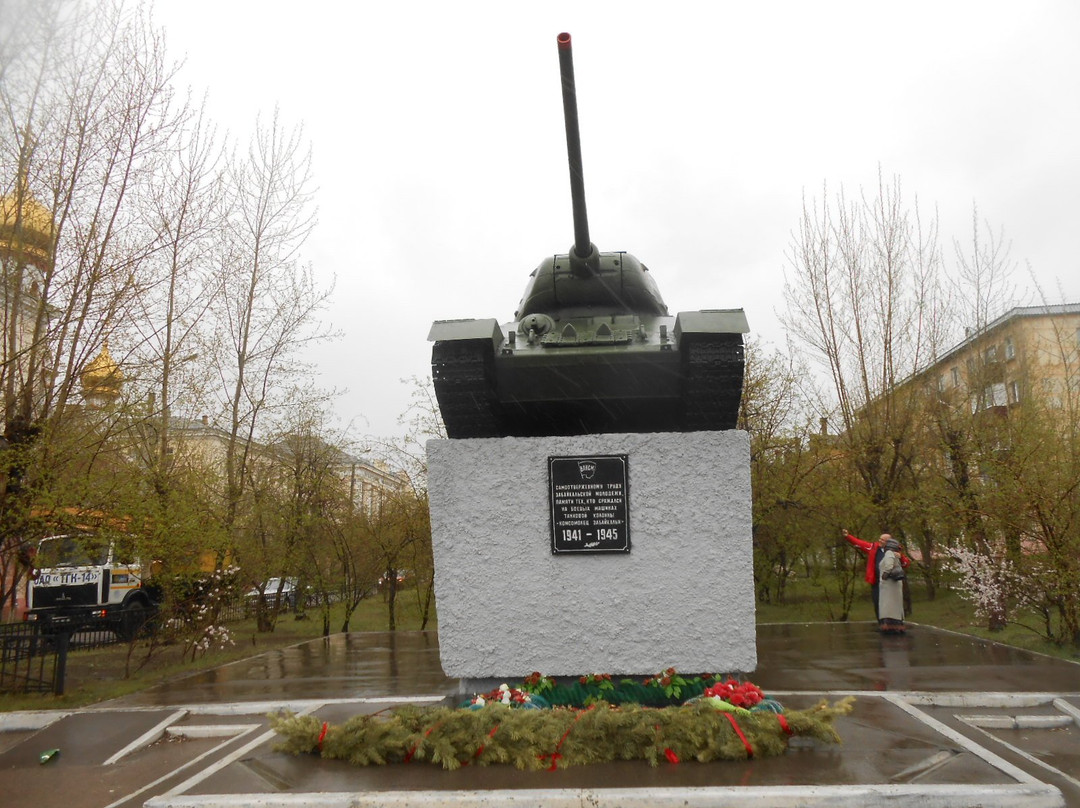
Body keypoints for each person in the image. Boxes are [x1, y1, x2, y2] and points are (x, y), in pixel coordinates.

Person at [842, 529, 910, 620]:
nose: (880, 541)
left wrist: (900, 557)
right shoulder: (873, 547)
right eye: (880, 539)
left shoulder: (895, 550)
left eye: (882, 540)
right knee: (877, 602)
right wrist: (848, 536)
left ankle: (894, 622)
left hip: (890, 583)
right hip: (877, 582)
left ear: (888, 542)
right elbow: (859, 543)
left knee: (891, 603)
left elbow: (906, 563)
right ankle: (881, 622)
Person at [876, 537, 907, 633]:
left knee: (888, 605)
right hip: (894, 585)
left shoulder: (889, 553)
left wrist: (885, 574)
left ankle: (890, 626)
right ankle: (897, 625)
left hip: (888, 585)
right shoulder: (896, 555)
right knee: (895, 605)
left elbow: (889, 566)